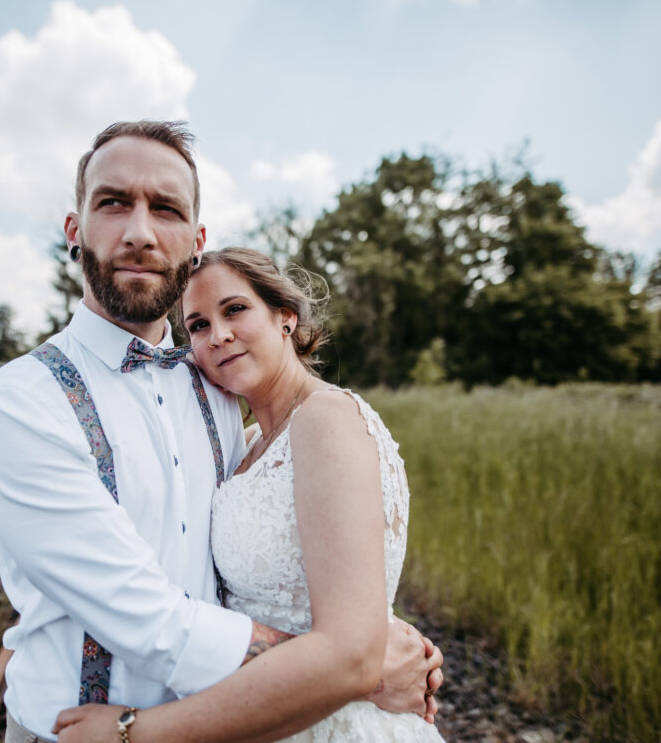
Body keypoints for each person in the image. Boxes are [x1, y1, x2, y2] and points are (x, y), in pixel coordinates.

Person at [0, 120, 443, 743]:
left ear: (195, 242)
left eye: (165, 209)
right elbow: (140, 612)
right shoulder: (22, 401)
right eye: (114, 203)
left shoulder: (217, 393)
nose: (140, 233)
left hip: (236, 720)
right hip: (83, 731)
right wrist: (356, 669)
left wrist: (348, 653)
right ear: (75, 229)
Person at [51, 247, 446, 742]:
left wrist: (132, 733)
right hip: (263, 708)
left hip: (332, 721)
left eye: (235, 310)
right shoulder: (250, 442)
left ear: (285, 317)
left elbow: (350, 645)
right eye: (198, 325)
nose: (218, 335)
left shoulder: (326, 420)